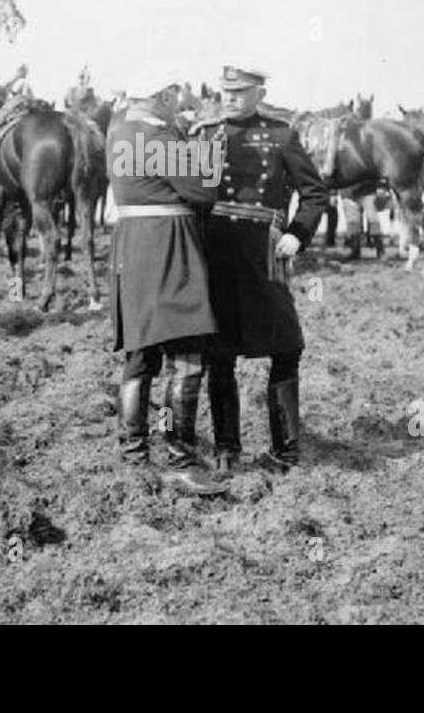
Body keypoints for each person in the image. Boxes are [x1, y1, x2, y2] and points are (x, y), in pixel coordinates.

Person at [193, 65, 330, 473]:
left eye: (240, 91)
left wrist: (298, 234)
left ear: (260, 93)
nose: (230, 97)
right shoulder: (204, 135)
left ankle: (286, 450)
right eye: (226, 91)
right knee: (219, 354)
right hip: (216, 251)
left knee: (287, 346)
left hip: (265, 252)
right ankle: (226, 449)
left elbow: (314, 193)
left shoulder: (282, 134)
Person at [108, 75, 225, 495]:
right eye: (173, 97)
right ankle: (180, 460)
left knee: (139, 358)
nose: (177, 104)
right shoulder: (160, 138)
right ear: (161, 96)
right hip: (168, 251)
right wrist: (208, 135)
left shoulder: (119, 129)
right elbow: (205, 190)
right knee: (188, 359)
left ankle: (133, 455)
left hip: (132, 252)